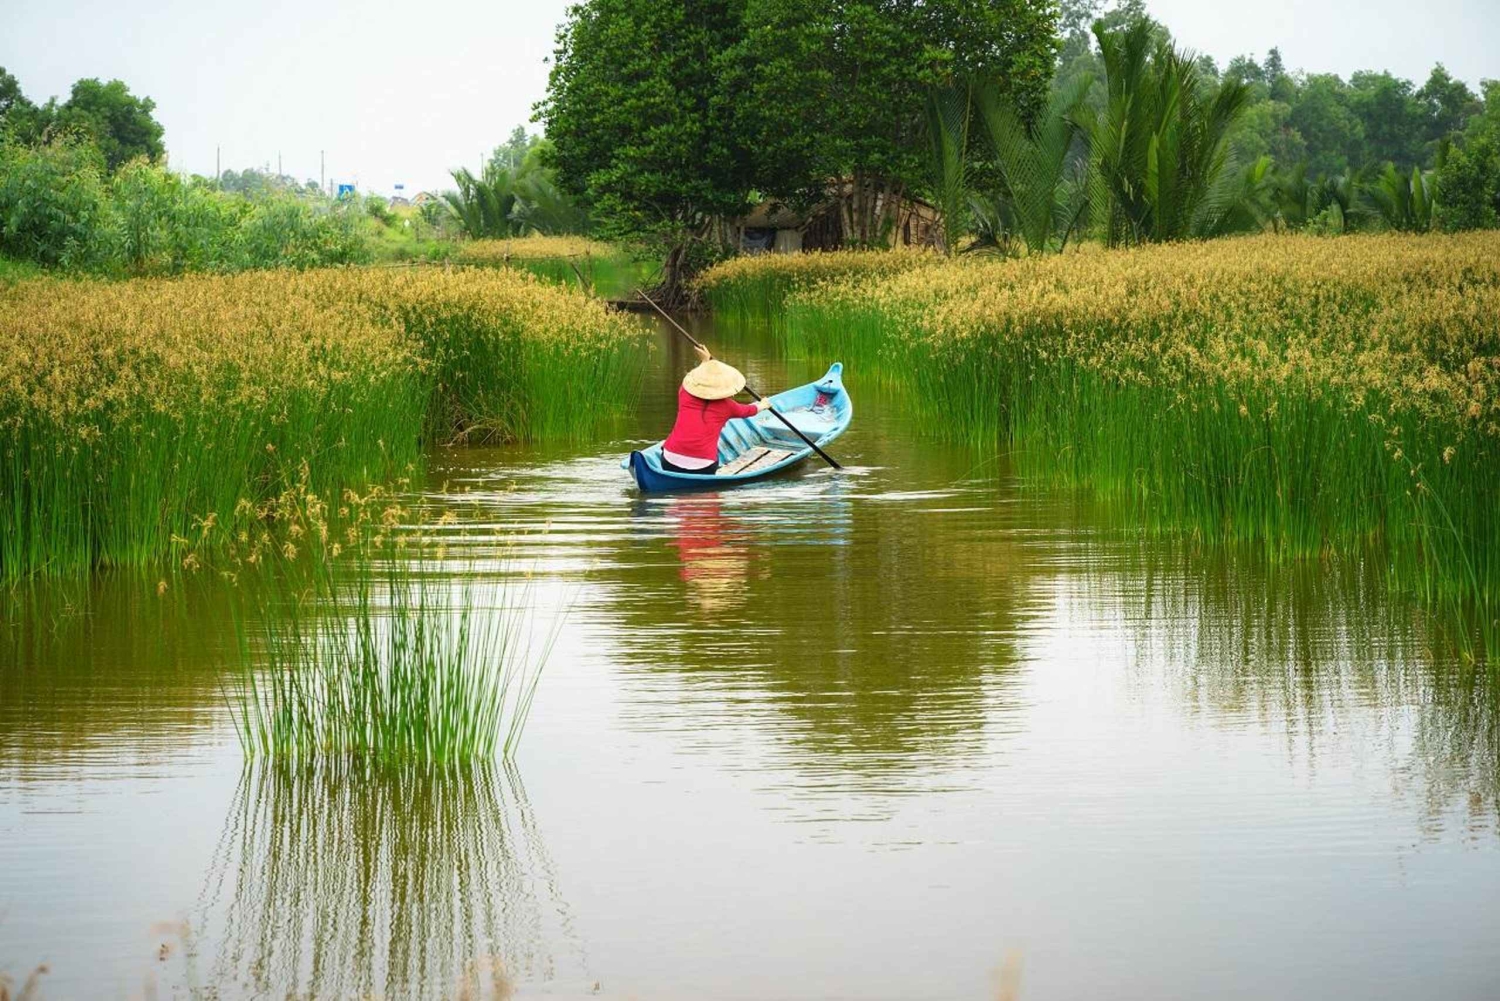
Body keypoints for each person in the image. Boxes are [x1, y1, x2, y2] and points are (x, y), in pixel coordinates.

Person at [660, 345, 772, 474]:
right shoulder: (728, 406)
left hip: (669, 461)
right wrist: (763, 405)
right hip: (704, 467)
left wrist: (704, 362)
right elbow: (749, 410)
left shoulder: (684, 394)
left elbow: (692, 379)